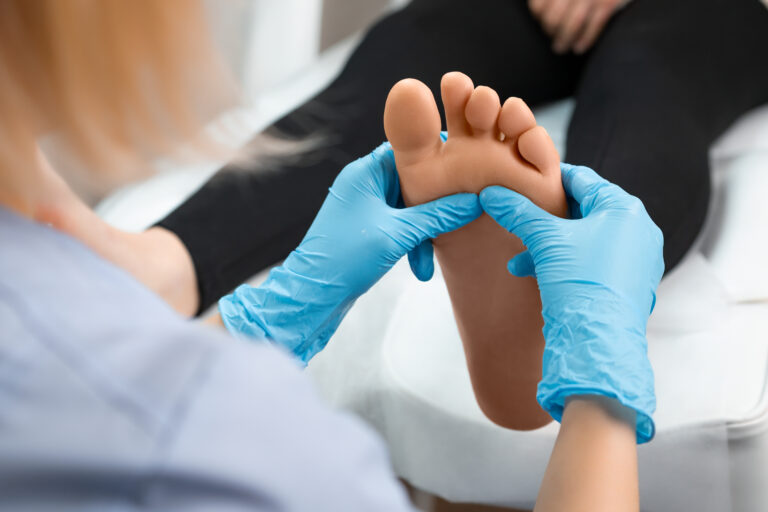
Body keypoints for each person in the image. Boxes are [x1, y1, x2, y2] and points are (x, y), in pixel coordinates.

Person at [0, 1, 663, 510]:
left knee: (649, 92)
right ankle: (578, 311)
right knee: (412, 50)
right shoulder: (257, 460)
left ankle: (545, 276)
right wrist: (602, 401)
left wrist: (257, 320)